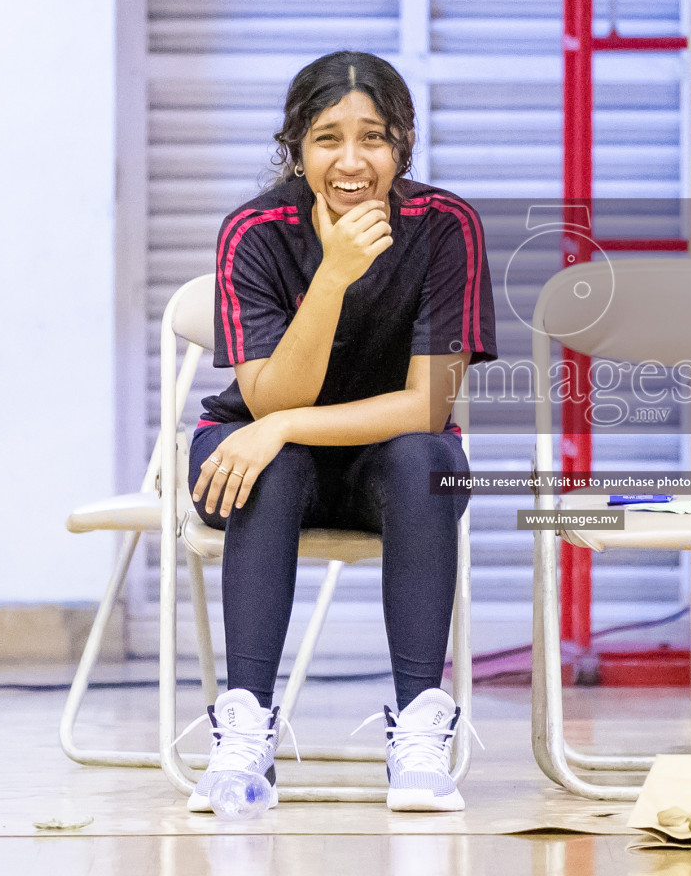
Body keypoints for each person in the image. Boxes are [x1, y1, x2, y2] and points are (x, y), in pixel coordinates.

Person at [184, 51, 495, 813]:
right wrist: (332, 275)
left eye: (375, 138)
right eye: (327, 138)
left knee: (427, 456)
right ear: (296, 148)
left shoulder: (446, 227)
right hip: (259, 453)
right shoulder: (254, 233)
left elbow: (426, 406)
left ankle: (421, 729)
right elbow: (266, 399)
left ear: (405, 144)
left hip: (388, 462)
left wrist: (283, 423)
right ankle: (244, 729)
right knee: (270, 463)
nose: (351, 161)